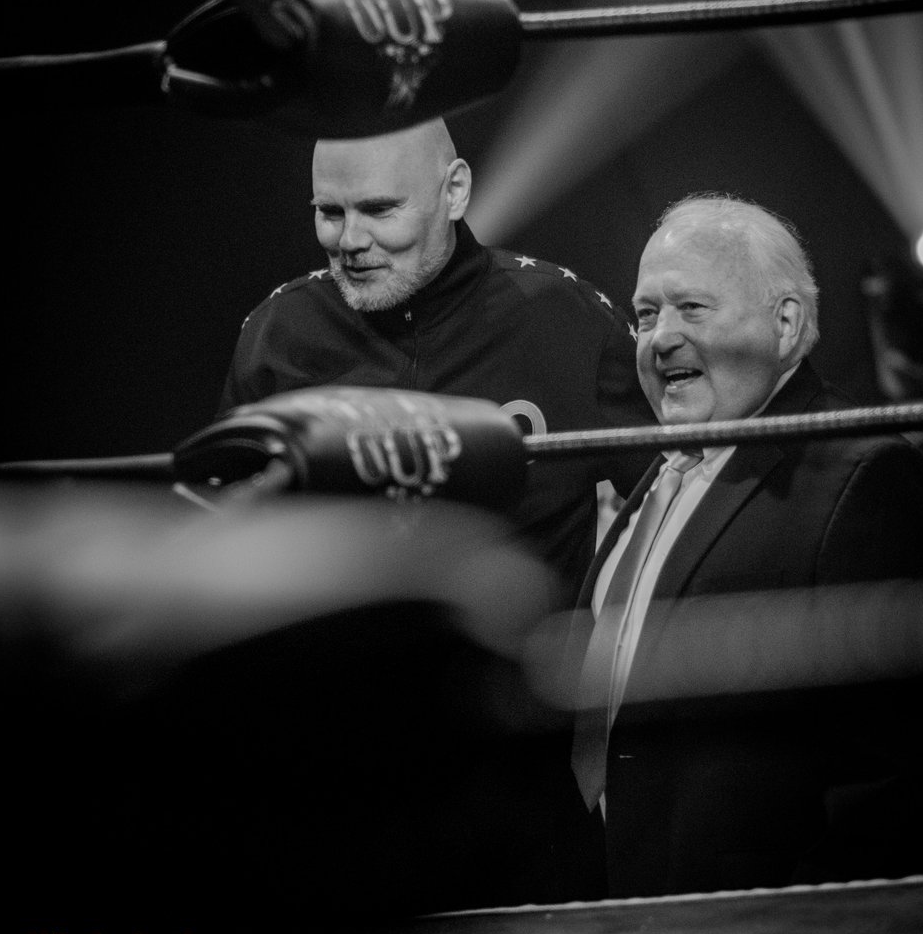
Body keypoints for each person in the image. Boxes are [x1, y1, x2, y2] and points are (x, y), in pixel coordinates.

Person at [570, 193, 923, 898]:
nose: (658, 338)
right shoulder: (666, 467)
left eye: (692, 309)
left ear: (784, 323)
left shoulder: (863, 474)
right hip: (631, 923)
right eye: (646, 314)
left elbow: (902, 783)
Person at [219, 117, 652, 604]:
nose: (350, 241)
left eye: (380, 209)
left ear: (455, 191)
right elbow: (222, 539)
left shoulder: (568, 320)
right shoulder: (277, 332)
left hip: (518, 676)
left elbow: (676, 504)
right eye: (330, 212)